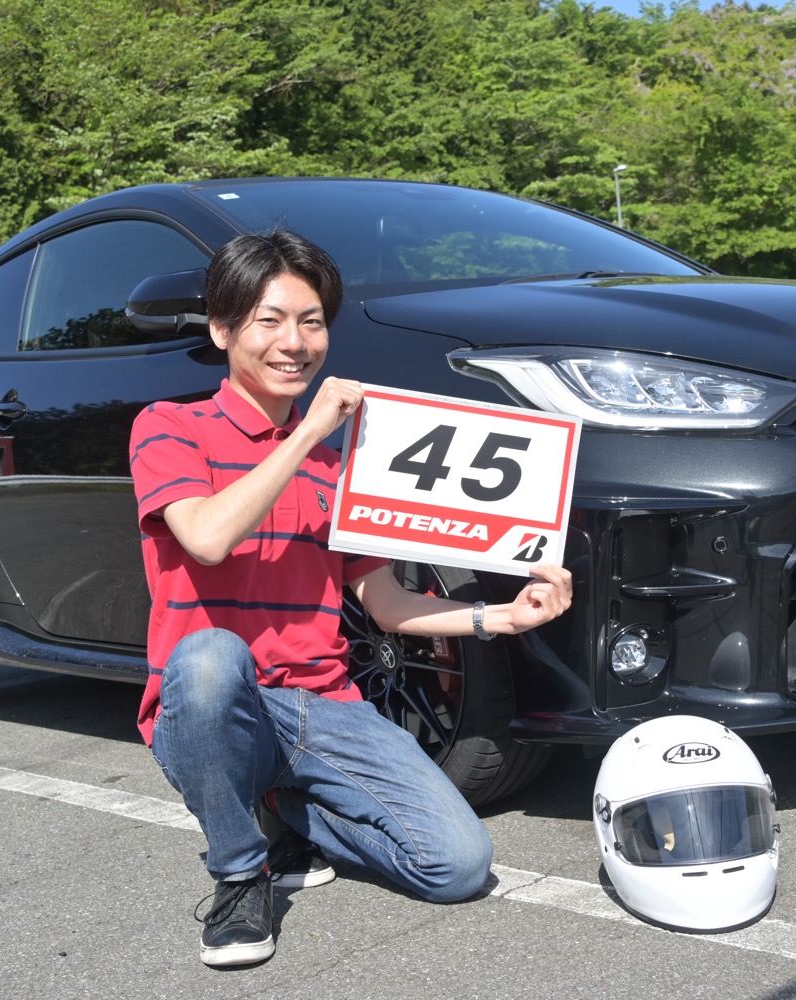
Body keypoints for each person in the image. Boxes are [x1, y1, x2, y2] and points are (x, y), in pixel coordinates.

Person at [128, 229, 573, 968]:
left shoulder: (343, 467)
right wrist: (301, 440)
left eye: (312, 322)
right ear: (222, 329)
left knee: (458, 866)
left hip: (322, 706)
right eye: (270, 321)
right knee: (208, 659)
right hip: (213, 706)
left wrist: (500, 615)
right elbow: (205, 537)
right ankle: (241, 874)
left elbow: (388, 605)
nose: (294, 343)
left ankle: (288, 807)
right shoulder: (169, 428)